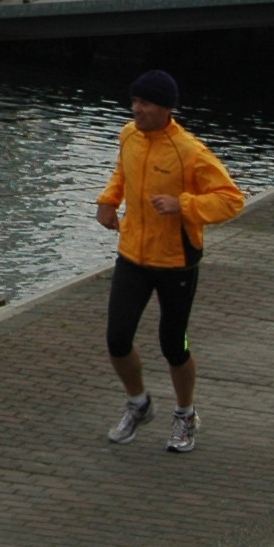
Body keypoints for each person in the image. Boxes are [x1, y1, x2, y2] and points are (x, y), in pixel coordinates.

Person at [96, 69, 245, 454]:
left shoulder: (190, 151)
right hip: (133, 255)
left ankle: (185, 414)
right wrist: (109, 201)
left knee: (173, 344)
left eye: (144, 103)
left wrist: (184, 205)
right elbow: (122, 173)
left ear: (165, 109)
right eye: (134, 102)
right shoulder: (129, 134)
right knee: (117, 339)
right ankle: (138, 404)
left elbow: (231, 198)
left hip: (176, 262)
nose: (136, 109)